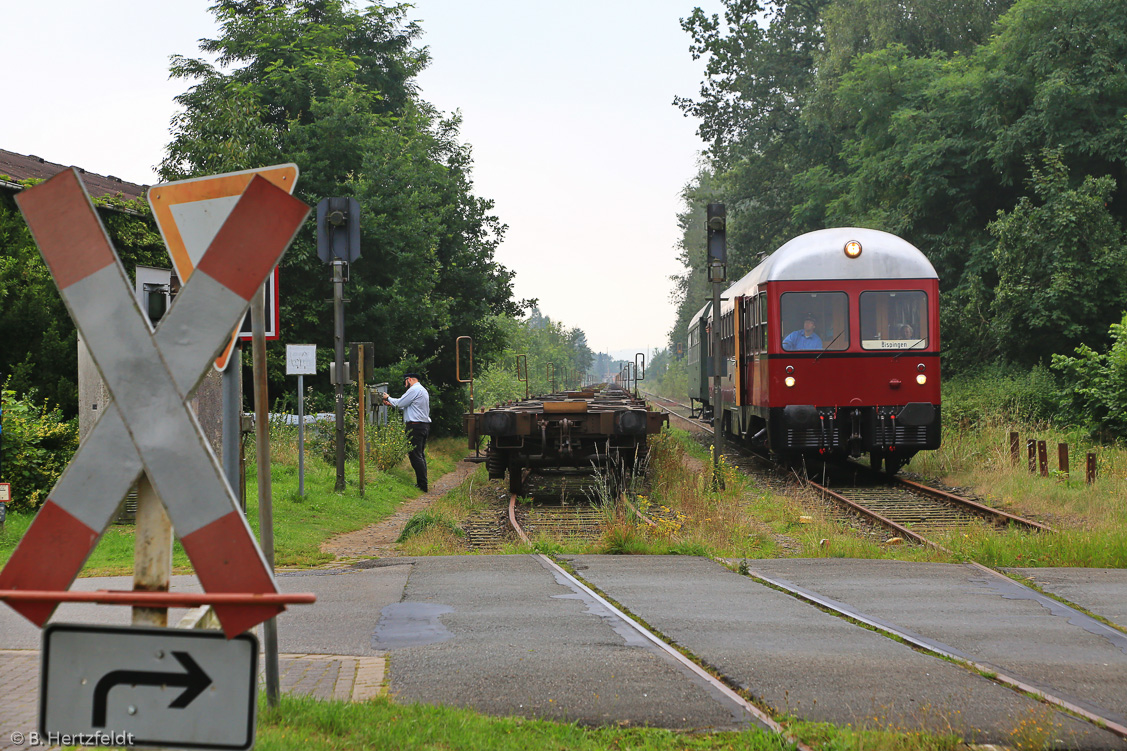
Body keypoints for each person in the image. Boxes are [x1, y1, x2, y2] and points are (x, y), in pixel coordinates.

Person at [384, 372, 431, 492]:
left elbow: (400, 402)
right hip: (423, 426)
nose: (405, 385)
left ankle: (422, 485)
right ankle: (422, 483)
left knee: (415, 456)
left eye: (405, 382)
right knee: (420, 455)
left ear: (409, 380)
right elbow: (406, 406)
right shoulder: (422, 390)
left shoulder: (414, 389)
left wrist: (387, 397)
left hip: (415, 427)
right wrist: (391, 404)